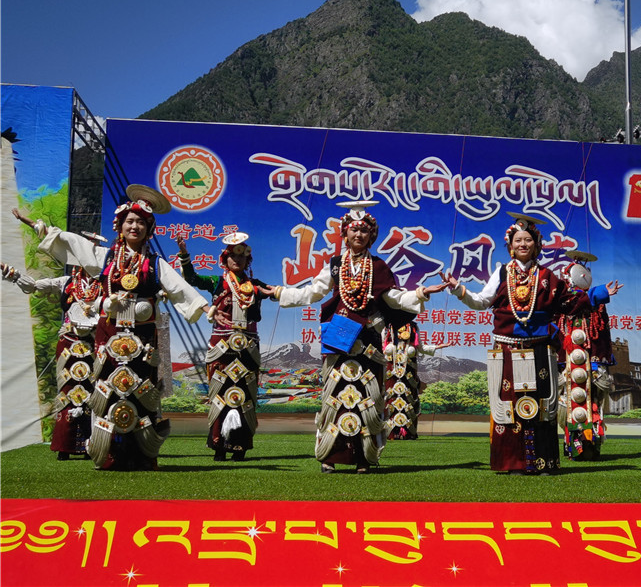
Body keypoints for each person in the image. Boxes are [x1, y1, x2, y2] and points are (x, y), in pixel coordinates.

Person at [16, 185, 209, 470]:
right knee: (108, 391)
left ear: (148, 229)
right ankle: (108, 453)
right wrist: (40, 227)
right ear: (120, 226)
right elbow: (72, 242)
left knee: (141, 391)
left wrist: (206, 308)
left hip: (143, 338)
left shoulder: (155, 264)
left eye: (141, 222)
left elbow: (179, 288)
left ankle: (142, 455)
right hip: (110, 336)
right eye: (130, 221)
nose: (135, 226)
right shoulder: (104, 258)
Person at [272, 201, 446, 473]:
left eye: (364, 231)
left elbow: (393, 297)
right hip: (339, 340)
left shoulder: (378, 266)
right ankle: (330, 455)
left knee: (367, 399)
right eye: (354, 230)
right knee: (335, 397)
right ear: (345, 234)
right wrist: (280, 293)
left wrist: (421, 293)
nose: (359, 235)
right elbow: (313, 292)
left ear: (371, 235)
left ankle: (364, 457)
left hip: (369, 342)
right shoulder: (335, 265)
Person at [441, 213, 617, 475]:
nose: (522, 244)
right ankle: (514, 463)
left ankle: (544, 462)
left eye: (528, 240)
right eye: (518, 240)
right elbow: (481, 301)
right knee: (510, 405)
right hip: (508, 348)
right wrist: (459, 289)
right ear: (510, 245)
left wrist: (599, 294)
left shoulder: (547, 276)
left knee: (543, 405)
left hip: (540, 349)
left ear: (537, 244)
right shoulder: (502, 273)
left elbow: (568, 303)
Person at [177, 232, 276, 461]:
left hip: (248, 347)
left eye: (242, 257)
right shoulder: (216, 282)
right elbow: (192, 279)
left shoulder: (254, 285)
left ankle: (240, 447)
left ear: (247, 260)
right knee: (220, 393)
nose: (237, 260)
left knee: (246, 394)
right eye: (233, 256)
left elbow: (273, 292)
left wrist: (281, 293)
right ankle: (219, 445)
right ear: (225, 259)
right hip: (222, 346)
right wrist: (184, 255)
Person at [1, 248, 103, 459]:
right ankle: (64, 446)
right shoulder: (66, 282)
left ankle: (90, 445)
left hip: (93, 343)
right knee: (67, 391)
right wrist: (13, 273)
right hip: (69, 342)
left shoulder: (105, 285)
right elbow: (34, 286)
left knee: (92, 392)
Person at [557, 251, 623, 460]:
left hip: (592, 362)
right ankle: (572, 446)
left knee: (593, 403)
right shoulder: (565, 299)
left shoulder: (597, 303)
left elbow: (601, 333)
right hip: (569, 361)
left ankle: (592, 446)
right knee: (569, 402)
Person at [381, 311, 448, 440]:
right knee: (390, 397)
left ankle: (407, 432)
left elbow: (420, 347)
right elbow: (382, 345)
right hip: (391, 367)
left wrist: (438, 347)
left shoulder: (413, 327)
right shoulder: (387, 326)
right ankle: (390, 432)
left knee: (408, 397)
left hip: (409, 367)